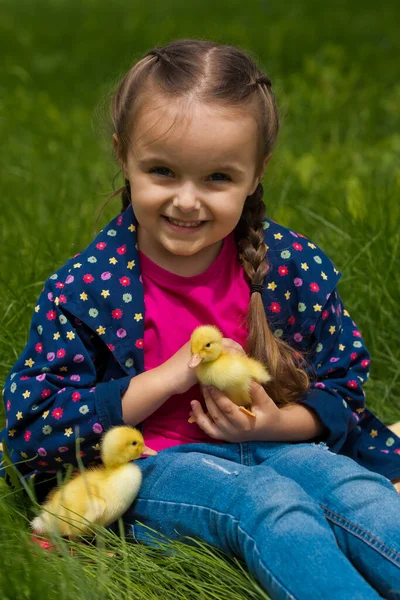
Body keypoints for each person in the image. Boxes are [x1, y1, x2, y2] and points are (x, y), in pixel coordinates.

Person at [2, 39, 400, 599]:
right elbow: (35, 424)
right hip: (161, 466)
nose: (187, 201)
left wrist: (273, 426)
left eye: (217, 178)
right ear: (123, 156)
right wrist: (167, 377)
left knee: (355, 489)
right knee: (269, 504)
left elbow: (344, 384)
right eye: (162, 171)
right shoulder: (85, 289)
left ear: (257, 173)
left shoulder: (290, 269)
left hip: (276, 443)